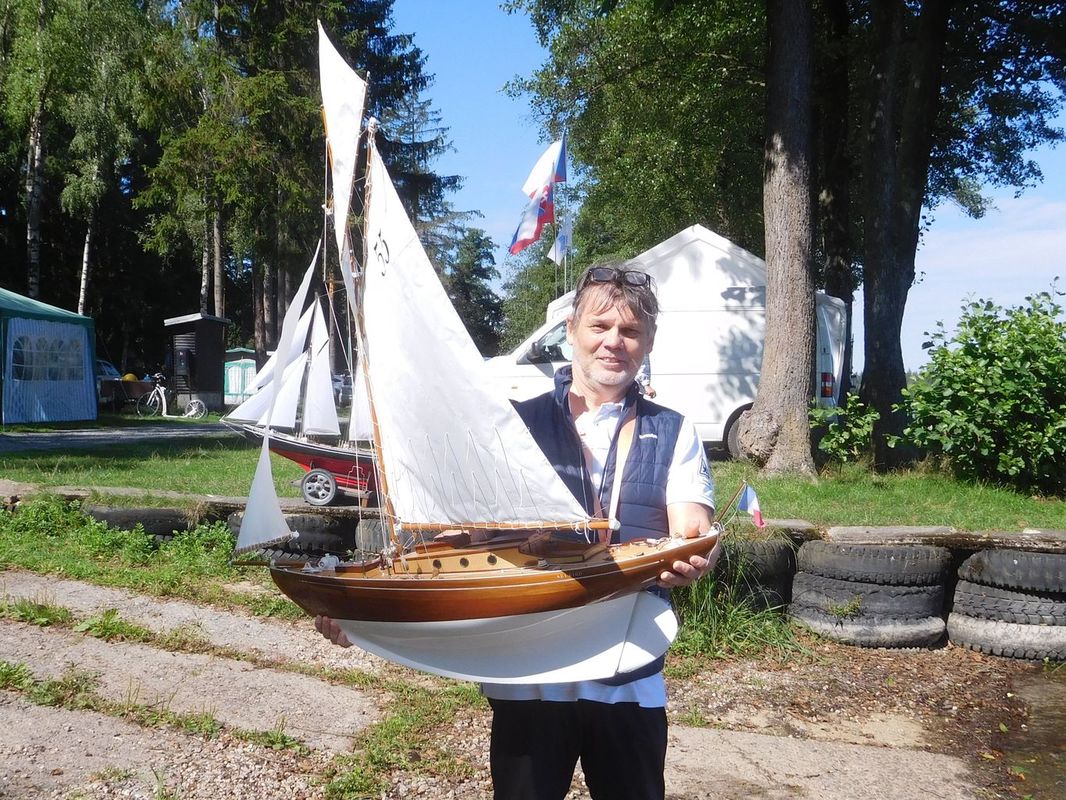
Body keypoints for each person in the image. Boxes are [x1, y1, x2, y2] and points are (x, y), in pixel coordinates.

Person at [316, 260, 719, 800]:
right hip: (530, 679)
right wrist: (367, 619)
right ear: (571, 330)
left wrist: (697, 561)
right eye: (599, 326)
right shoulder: (514, 426)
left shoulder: (673, 430)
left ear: (647, 342)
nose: (613, 342)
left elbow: (694, 530)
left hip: (630, 679)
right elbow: (468, 545)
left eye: (630, 330)